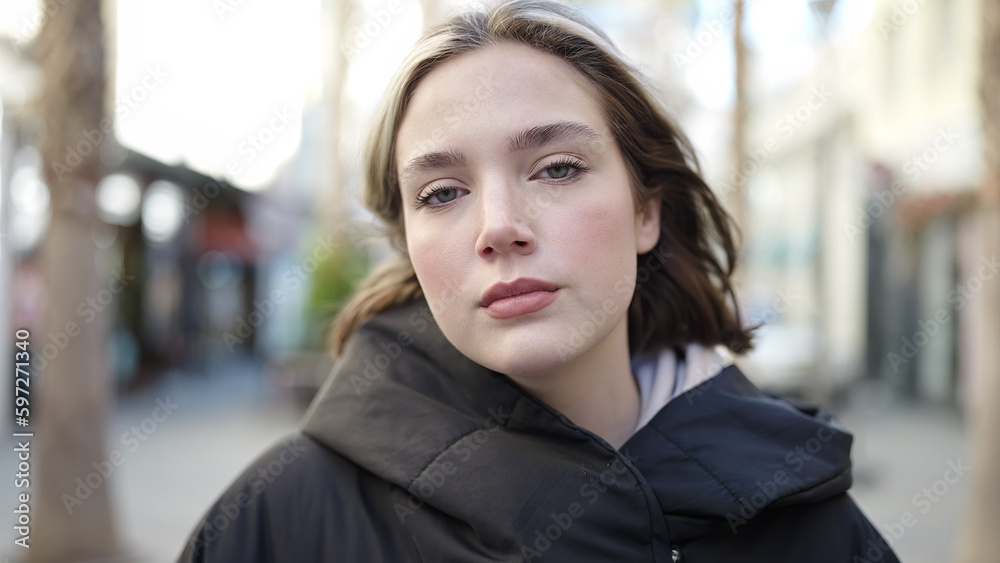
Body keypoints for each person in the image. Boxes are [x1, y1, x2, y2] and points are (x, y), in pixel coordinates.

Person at [178, 1, 899, 561]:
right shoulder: (275, 523)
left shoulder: (810, 522)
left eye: (557, 168)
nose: (499, 225)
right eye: (441, 193)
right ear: (408, 245)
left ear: (647, 209)